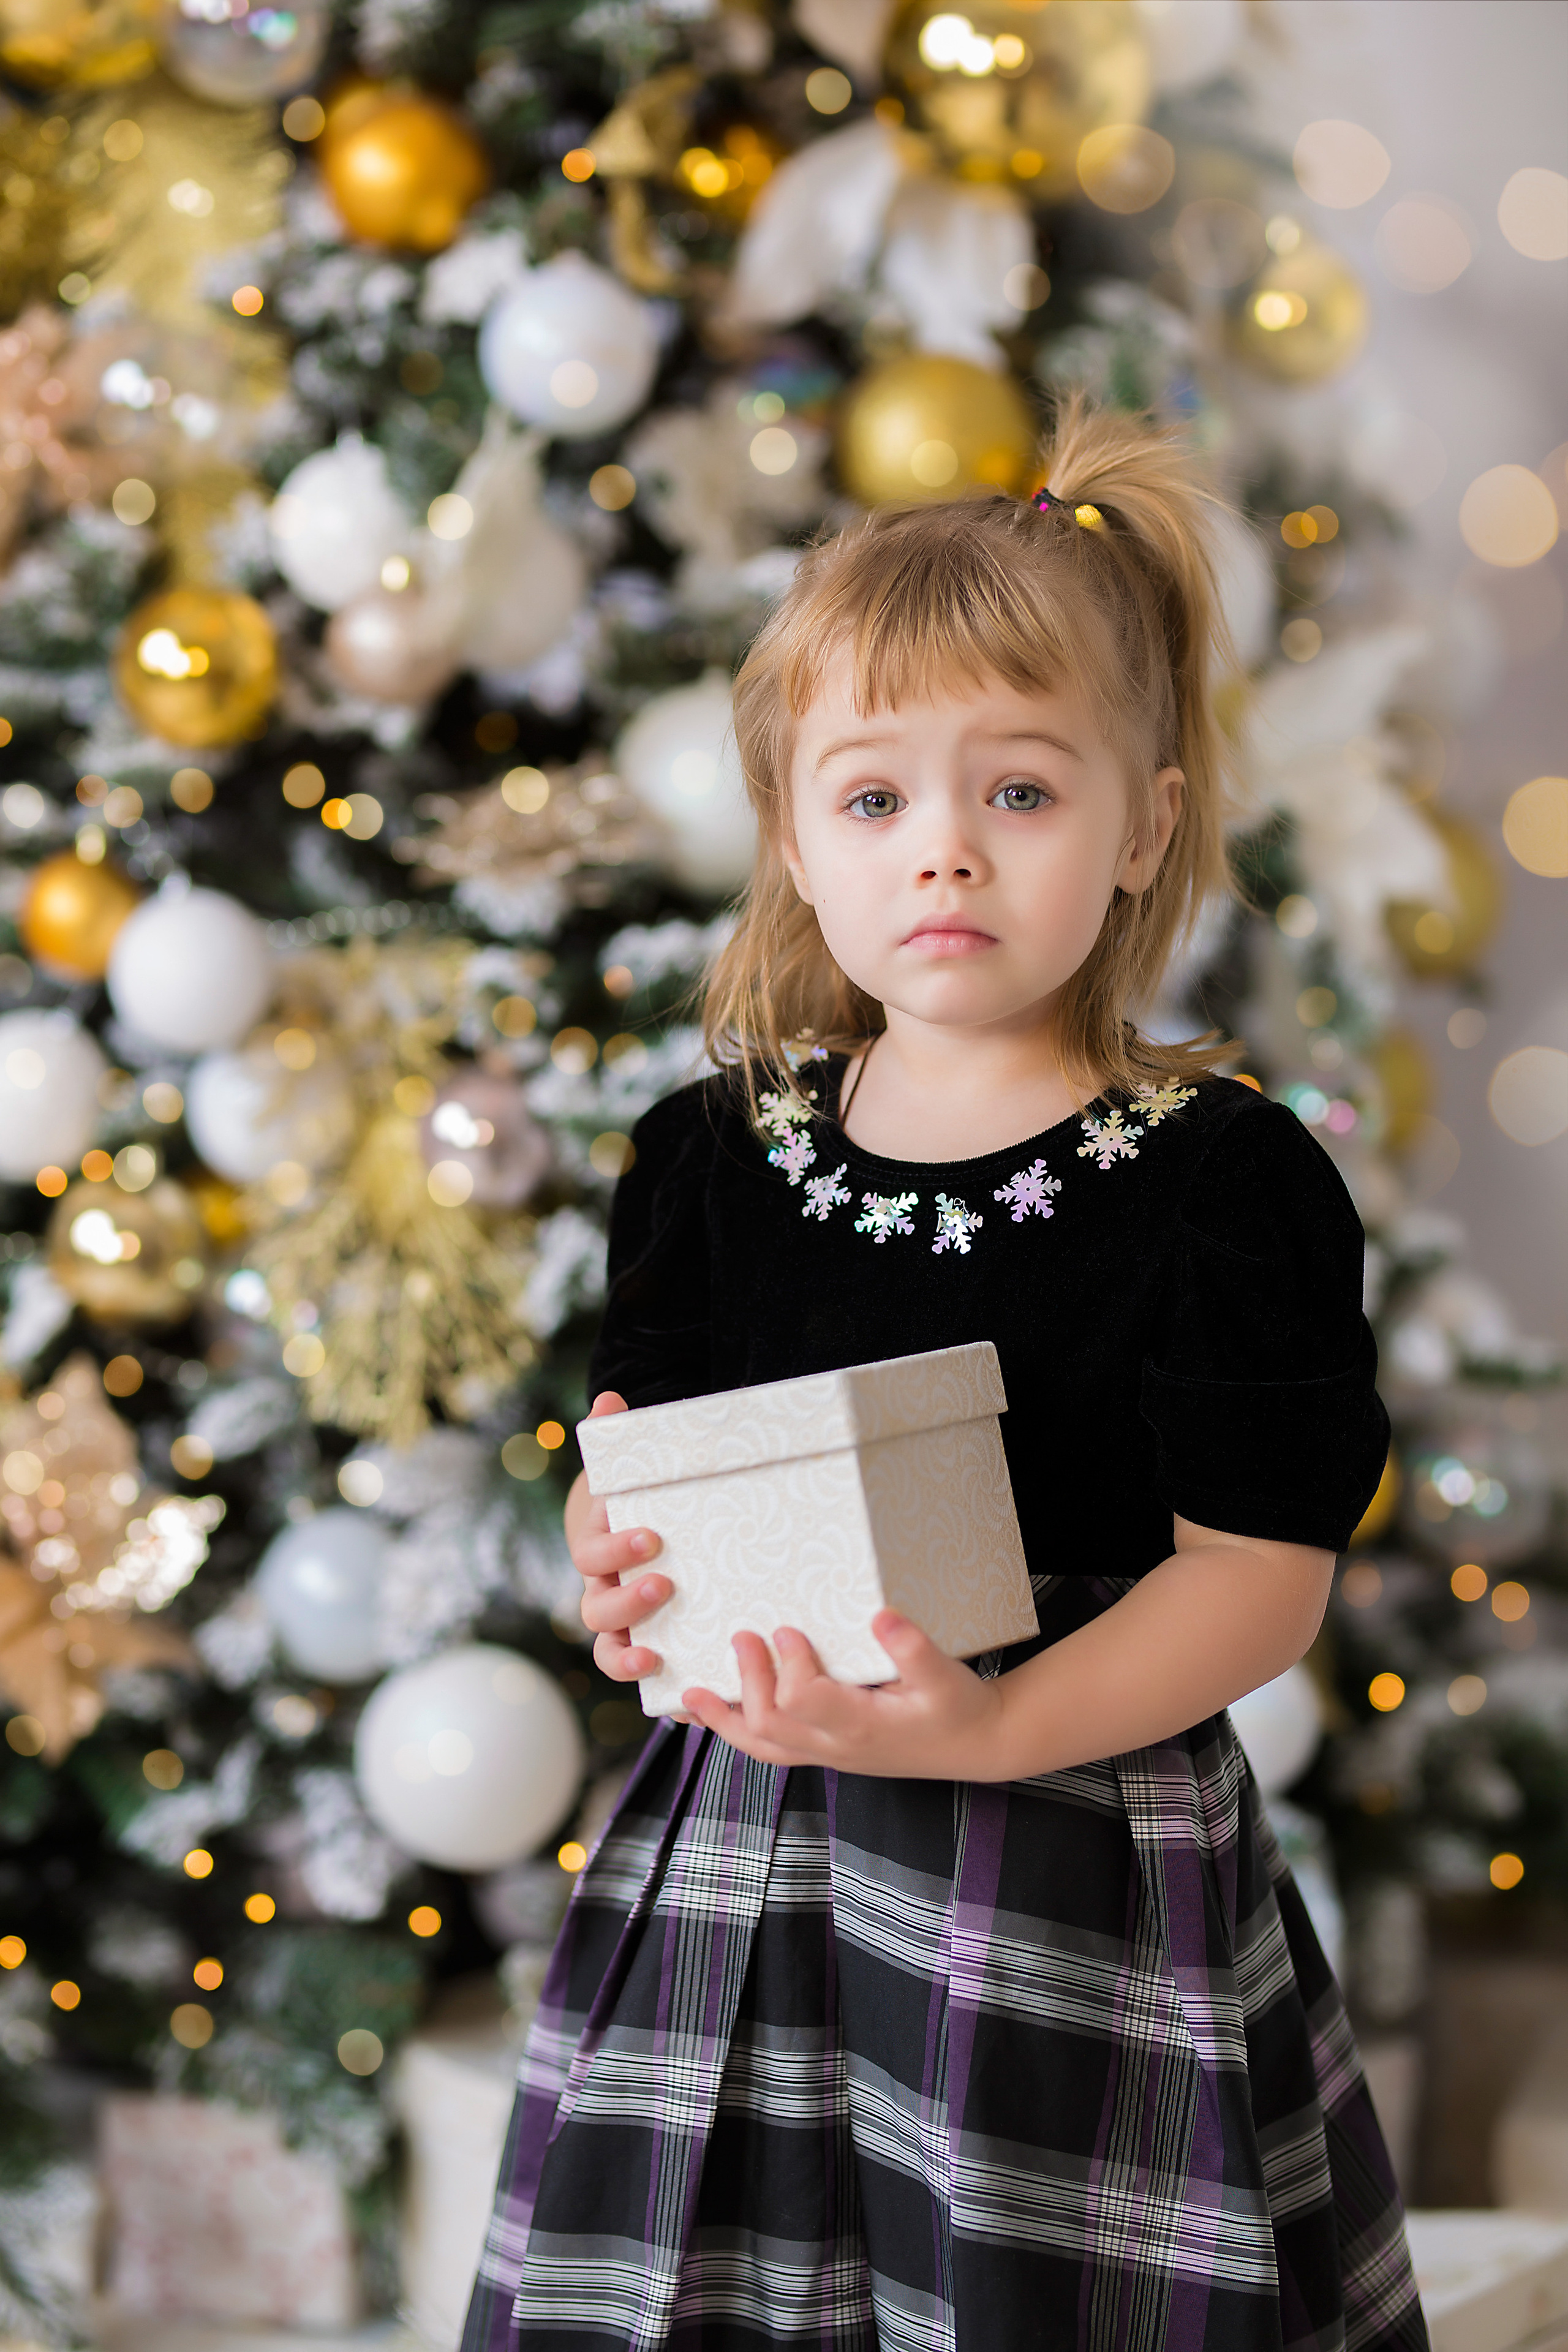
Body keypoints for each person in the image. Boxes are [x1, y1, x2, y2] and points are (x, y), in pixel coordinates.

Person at [464, 394, 1428, 2352]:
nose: (947, 857)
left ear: (1147, 819)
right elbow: (640, 1466)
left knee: (1037, 2294)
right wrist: (615, 1561)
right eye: (878, 799)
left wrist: (992, 1732)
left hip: (1065, 1847)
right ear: (799, 842)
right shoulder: (715, 1157)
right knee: (725, 2275)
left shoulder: (1221, 1183)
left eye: (1023, 791)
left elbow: (1260, 1572)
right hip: (755, 1830)